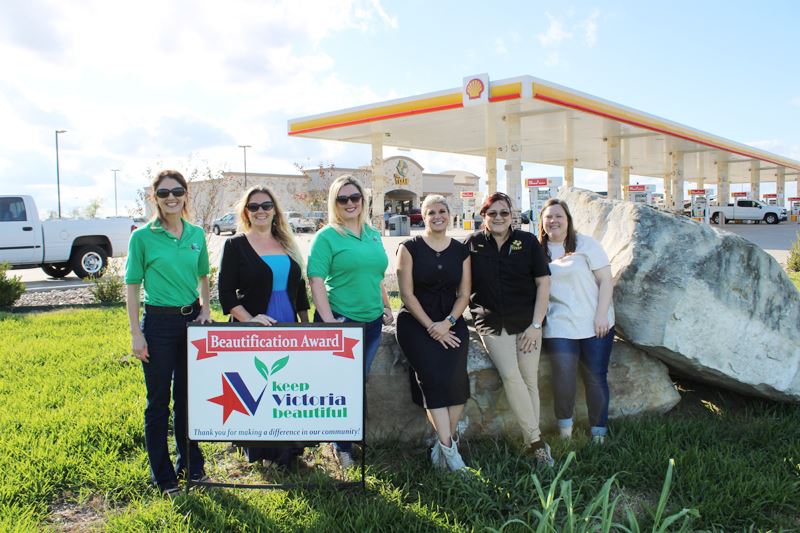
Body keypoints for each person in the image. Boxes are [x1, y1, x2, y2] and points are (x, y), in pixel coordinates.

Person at [125, 170, 211, 497]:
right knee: (158, 402)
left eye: (177, 191)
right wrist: (136, 333)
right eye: (164, 193)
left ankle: (190, 463)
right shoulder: (142, 237)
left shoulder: (196, 234)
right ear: (155, 197)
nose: (171, 197)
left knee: (188, 399)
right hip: (158, 325)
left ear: (186, 194)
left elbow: (203, 275)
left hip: (191, 324)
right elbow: (132, 288)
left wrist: (205, 308)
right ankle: (163, 476)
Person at [218, 186, 310, 466]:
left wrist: (306, 327)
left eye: (266, 205)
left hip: (287, 321)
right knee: (258, 387)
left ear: (275, 210)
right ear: (245, 212)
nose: (260, 211)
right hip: (255, 325)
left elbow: (300, 289)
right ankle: (262, 452)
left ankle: (289, 450)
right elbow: (225, 293)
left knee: (285, 387)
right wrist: (249, 320)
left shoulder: (287, 243)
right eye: (254, 206)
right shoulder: (235, 245)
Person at [307, 174, 393, 468]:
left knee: (358, 381)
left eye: (354, 197)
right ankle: (340, 445)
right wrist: (330, 321)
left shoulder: (372, 234)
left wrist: (386, 305)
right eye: (342, 199)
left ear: (363, 200)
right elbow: (315, 279)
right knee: (341, 384)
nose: (349, 203)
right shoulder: (327, 236)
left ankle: (348, 434)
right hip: (342, 321)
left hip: (371, 322)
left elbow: (376, 273)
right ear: (334, 203)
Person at [464, 192, 554, 466]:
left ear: (512, 215)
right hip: (491, 323)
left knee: (529, 379)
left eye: (504, 213)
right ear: (484, 217)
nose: (499, 218)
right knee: (512, 376)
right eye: (492, 213)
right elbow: (461, 283)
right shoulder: (473, 244)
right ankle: (536, 442)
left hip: (528, 322)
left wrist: (536, 325)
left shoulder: (527, 242)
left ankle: (532, 440)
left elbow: (543, 284)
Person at [396, 195, 471, 472]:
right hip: (417, 323)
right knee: (432, 378)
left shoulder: (461, 251)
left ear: (449, 215)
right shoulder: (409, 247)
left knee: (456, 382)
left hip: (451, 322)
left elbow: (464, 293)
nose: (437, 216)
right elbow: (406, 294)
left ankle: (442, 445)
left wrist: (448, 322)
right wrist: (432, 327)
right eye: (431, 212)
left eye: (442, 211)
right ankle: (451, 454)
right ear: (423, 217)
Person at [538, 198, 615, 444]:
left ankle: (599, 433)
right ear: (541, 221)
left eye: (559, 216)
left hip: (595, 322)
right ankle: (565, 432)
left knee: (595, 377)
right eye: (548, 216)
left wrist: (601, 314)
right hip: (559, 324)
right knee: (563, 377)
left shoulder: (585, 244)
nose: (553, 221)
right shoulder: (538, 250)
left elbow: (606, 281)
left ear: (568, 219)